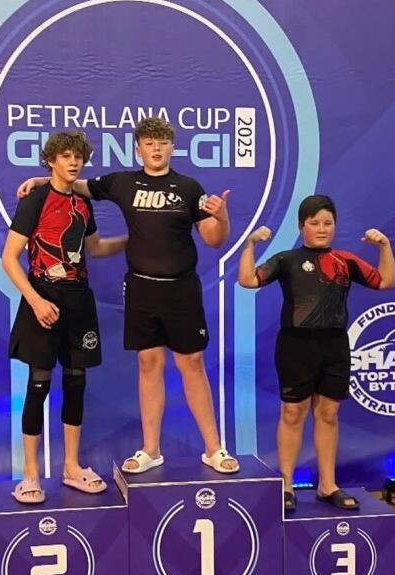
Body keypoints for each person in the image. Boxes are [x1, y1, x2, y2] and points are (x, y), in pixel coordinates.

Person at [18, 116, 239, 474]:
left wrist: (223, 218)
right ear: (138, 149)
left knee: (192, 363)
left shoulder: (189, 187)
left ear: (172, 148)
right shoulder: (123, 182)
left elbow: (214, 239)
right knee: (148, 363)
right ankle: (151, 450)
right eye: (149, 143)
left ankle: (214, 449)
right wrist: (42, 180)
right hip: (141, 288)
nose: (156, 149)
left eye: (162, 143)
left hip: (181, 290)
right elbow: (76, 184)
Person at [237, 194, 395, 511]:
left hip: (334, 346)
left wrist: (384, 246)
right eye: (314, 223)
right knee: (292, 414)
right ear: (301, 227)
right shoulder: (286, 259)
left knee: (328, 414)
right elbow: (248, 280)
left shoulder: (345, 260)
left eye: (328, 223)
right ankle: (286, 485)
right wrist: (250, 245)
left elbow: (385, 282)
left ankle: (327, 485)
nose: (322, 229)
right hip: (295, 347)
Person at [2, 131, 127, 503]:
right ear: (51, 161)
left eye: (78, 157)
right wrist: (36, 301)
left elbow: (95, 248)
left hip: (78, 302)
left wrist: (134, 240)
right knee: (38, 384)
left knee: (76, 383)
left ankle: (72, 468)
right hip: (42, 299)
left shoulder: (83, 204)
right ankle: (30, 475)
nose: (73, 163)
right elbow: (9, 257)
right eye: (66, 156)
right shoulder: (35, 199)